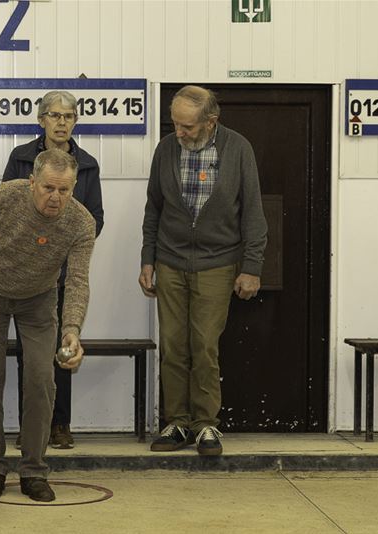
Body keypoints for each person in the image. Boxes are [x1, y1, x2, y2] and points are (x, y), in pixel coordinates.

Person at [0, 149, 96, 502]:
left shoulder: (81, 223)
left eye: (64, 190)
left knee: (40, 380)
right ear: (32, 182)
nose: (55, 197)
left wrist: (72, 329)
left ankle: (33, 469)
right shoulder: (6, 196)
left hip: (38, 300)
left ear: (74, 188)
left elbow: (77, 281)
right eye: (48, 188)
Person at [139, 85, 267, 456]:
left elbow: (254, 213)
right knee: (173, 346)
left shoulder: (238, 149)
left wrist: (253, 266)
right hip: (170, 261)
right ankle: (177, 422)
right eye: (175, 124)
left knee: (204, 345)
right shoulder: (166, 149)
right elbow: (153, 209)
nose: (179, 132)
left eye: (187, 127)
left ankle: (206, 425)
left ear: (211, 122)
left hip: (218, 262)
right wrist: (148, 258)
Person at [2, 90, 103, 450]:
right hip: (26, 275)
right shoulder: (20, 159)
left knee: (63, 347)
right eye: (54, 116)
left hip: (63, 273)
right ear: (41, 119)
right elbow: (8, 211)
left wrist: (63, 240)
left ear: (75, 121)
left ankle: (59, 424)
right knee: (28, 353)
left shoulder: (88, 164)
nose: (61, 122)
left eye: (68, 116)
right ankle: (29, 426)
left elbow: (95, 218)